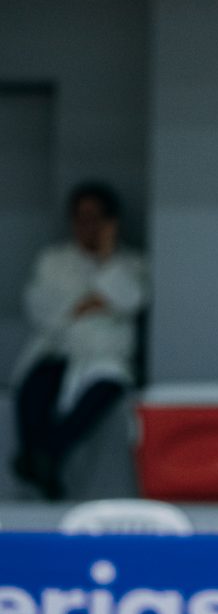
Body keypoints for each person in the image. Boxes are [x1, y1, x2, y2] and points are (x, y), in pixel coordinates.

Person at [10, 181, 148, 500]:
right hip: (59, 349)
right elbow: (43, 307)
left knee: (101, 392)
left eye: (96, 218)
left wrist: (106, 261)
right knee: (35, 387)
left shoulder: (131, 263)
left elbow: (131, 298)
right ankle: (36, 458)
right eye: (81, 218)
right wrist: (98, 302)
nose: (88, 226)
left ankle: (48, 456)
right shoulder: (54, 261)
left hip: (104, 357)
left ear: (111, 222)